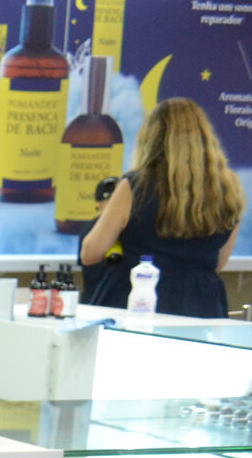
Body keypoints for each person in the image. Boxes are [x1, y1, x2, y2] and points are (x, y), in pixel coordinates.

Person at [81, 98, 243, 318]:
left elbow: (91, 253)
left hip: (137, 303)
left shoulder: (136, 186)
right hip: (202, 306)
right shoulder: (229, 191)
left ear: (151, 138)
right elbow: (219, 263)